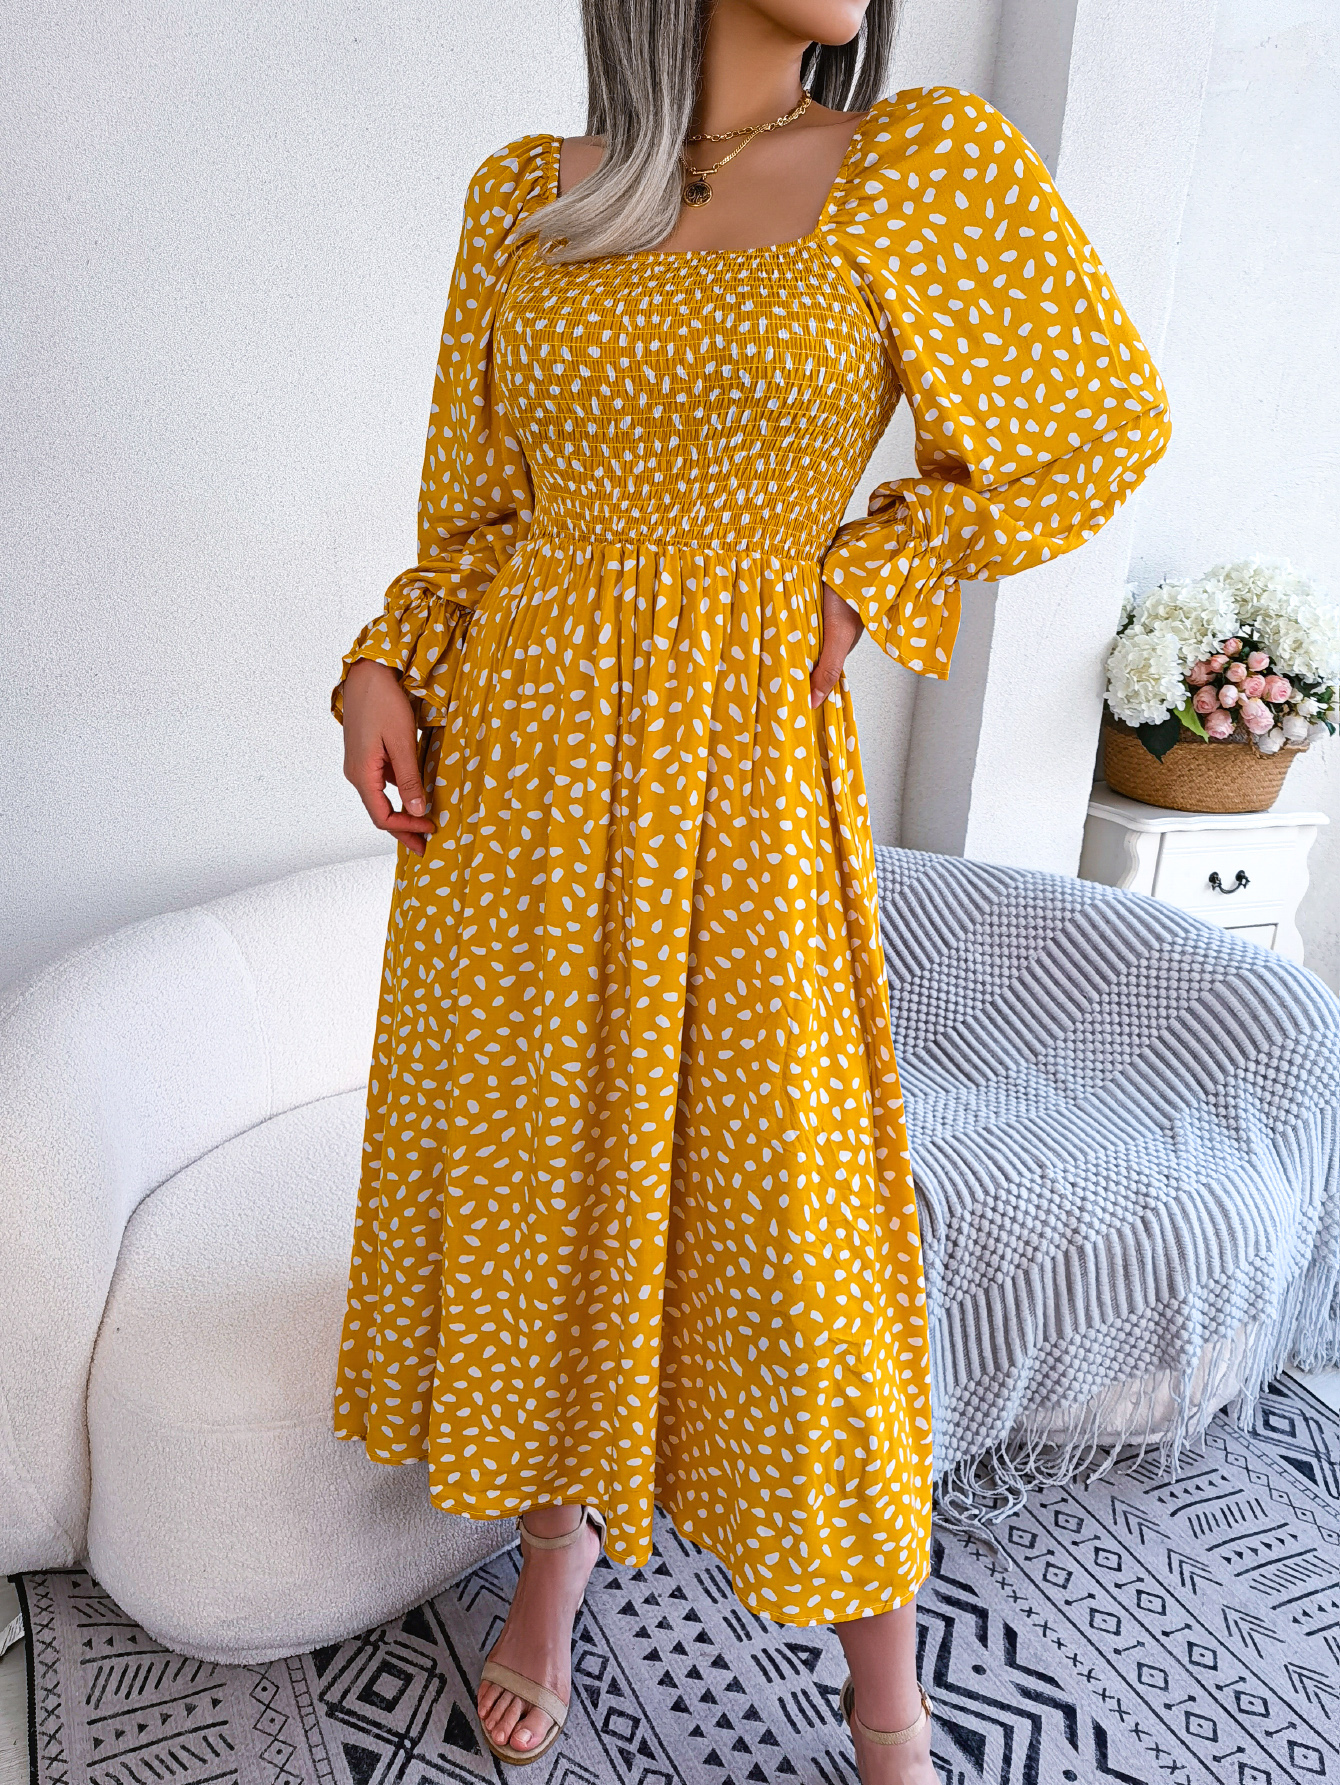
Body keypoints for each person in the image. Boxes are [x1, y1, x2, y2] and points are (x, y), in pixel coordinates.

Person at [331, 0, 1170, 1776]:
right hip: (524, 779)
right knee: (550, 1169)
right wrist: (387, 660)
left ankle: (886, 1686)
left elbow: (1095, 421)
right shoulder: (526, 197)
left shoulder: (917, 164)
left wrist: (873, 573)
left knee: (800, 1222)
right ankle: (550, 1567)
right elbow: (474, 514)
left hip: (745, 771)